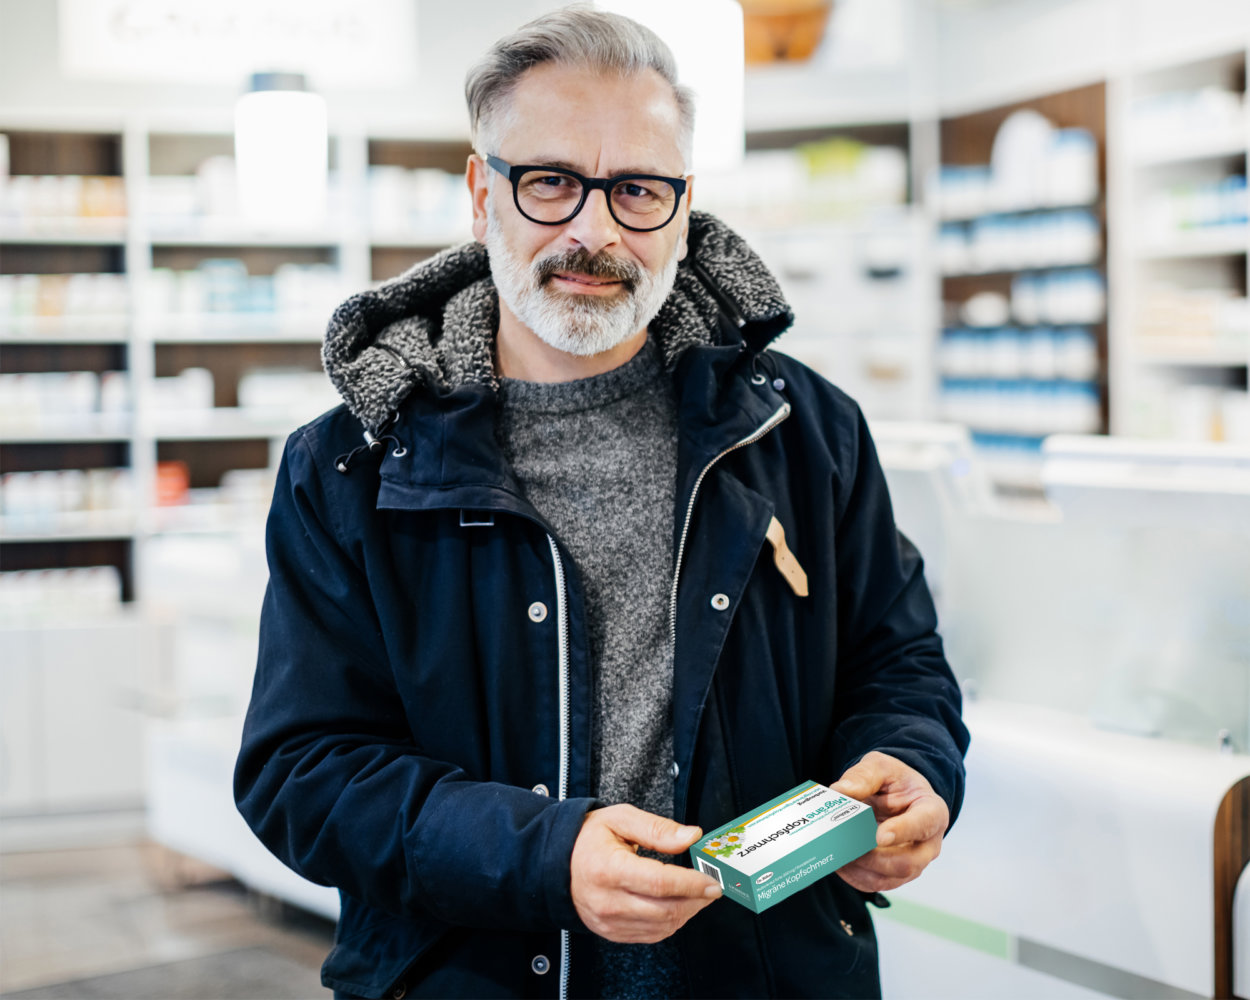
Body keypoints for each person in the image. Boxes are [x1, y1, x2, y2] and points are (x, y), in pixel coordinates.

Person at [234, 7, 969, 999]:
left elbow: (898, 658)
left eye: (636, 189)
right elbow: (302, 773)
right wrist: (543, 855)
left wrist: (908, 765)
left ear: (683, 202)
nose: (594, 231)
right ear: (478, 191)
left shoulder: (803, 431)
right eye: (549, 182)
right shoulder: (352, 467)